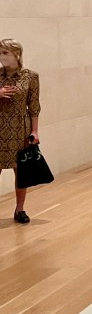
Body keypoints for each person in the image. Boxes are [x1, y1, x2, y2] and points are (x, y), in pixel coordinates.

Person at [0, 39, 41, 224]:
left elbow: (34, 106)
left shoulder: (30, 76)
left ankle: (20, 209)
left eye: (5, 53)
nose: (1, 57)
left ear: (16, 54)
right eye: (0, 53)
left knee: (21, 171)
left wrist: (35, 131)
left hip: (19, 128)